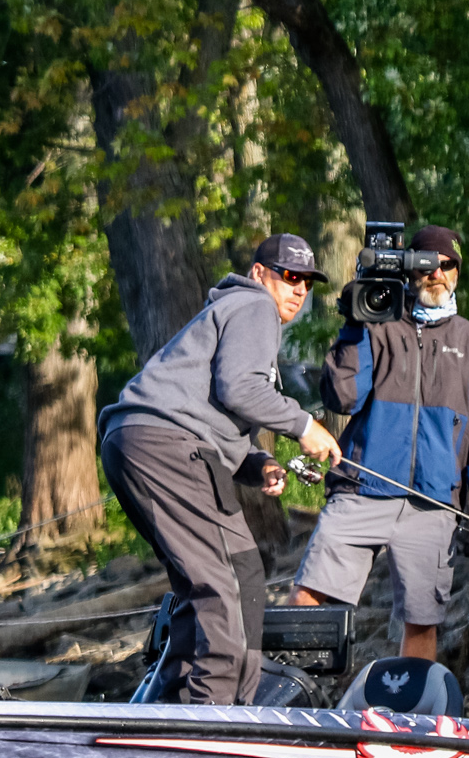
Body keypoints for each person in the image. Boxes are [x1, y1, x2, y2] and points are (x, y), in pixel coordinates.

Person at [98, 234, 342, 705]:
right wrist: (304, 426)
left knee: (238, 571)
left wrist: (258, 464)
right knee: (222, 580)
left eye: (307, 283)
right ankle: (212, 714)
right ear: (258, 273)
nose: (298, 290)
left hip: (141, 441)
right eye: (289, 277)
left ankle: (166, 707)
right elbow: (239, 391)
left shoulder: (231, 314)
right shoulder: (254, 308)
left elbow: (211, 409)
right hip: (167, 445)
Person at [291, 225, 469, 662]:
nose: (436, 274)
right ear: (410, 272)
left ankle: (411, 722)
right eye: (427, 264)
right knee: (309, 595)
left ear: (457, 273)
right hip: (362, 490)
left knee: (421, 621)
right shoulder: (377, 325)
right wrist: (356, 325)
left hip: (433, 501)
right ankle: (299, 694)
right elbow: (343, 397)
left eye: (446, 265)